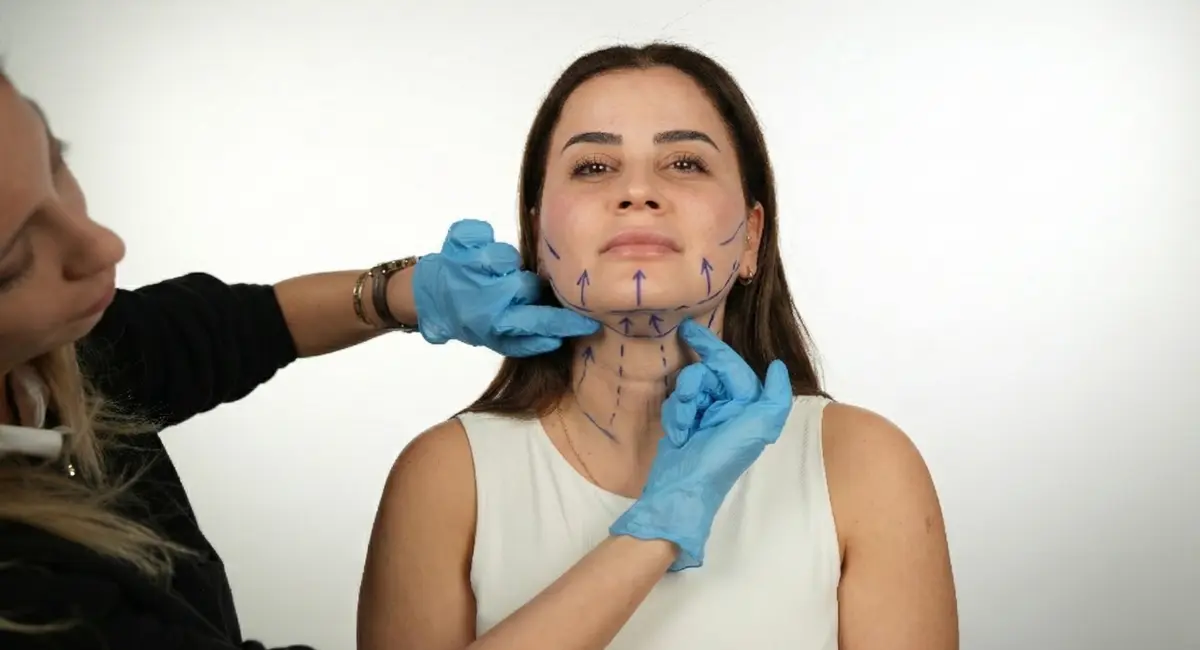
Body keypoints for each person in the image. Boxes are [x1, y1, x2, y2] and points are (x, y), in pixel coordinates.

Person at [357, 42, 959, 650]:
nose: (637, 192)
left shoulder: (862, 465)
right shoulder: (446, 478)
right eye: (593, 167)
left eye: (685, 163)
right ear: (537, 236)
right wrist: (655, 533)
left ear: (752, 238)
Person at [0, 65, 599, 648]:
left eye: (56, 161)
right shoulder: (28, 601)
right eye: (11, 259)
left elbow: (233, 328)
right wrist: (652, 537)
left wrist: (402, 293)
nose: (103, 245)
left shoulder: (66, 360)